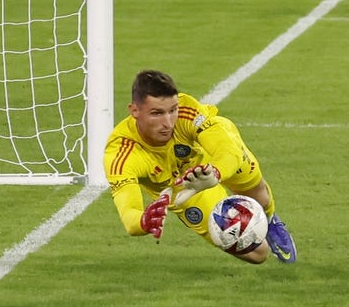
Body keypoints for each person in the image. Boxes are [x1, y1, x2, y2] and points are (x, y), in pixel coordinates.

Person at [103, 69, 296, 264]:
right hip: (183, 191)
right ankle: (259, 231)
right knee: (257, 254)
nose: (168, 123)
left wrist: (216, 172)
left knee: (259, 196)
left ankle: (270, 221)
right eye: (157, 113)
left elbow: (226, 149)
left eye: (172, 110)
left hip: (214, 158)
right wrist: (143, 222)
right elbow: (129, 214)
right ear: (134, 111)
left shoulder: (187, 110)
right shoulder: (122, 154)